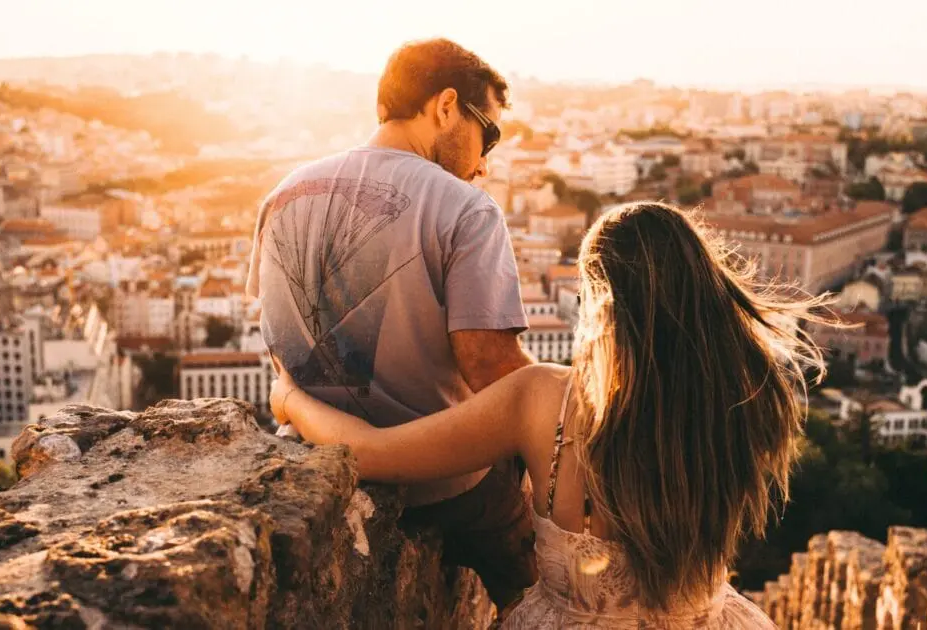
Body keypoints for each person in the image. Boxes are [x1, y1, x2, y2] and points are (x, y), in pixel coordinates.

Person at [269, 202, 838, 628]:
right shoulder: (749, 399)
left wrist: (291, 398)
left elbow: (372, 454)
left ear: (601, 297)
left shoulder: (544, 399)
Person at [245, 38, 537, 613]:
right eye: (490, 135)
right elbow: (493, 374)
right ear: (446, 106)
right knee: (544, 580)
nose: (484, 163)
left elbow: (276, 334)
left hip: (311, 459)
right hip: (442, 485)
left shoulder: (281, 194)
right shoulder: (467, 210)